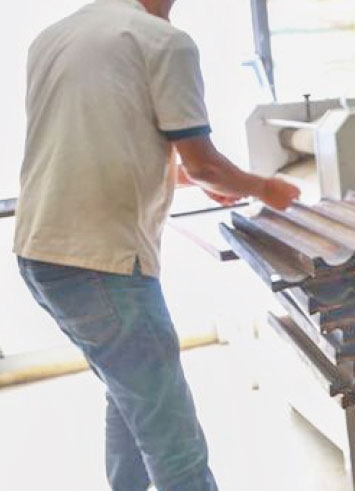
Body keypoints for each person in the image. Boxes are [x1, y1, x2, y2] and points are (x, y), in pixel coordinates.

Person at [14, 0, 300, 490]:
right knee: (175, 440)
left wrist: (192, 176)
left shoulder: (57, 35)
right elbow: (205, 160)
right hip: (100, 263)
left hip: (40, 251)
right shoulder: (162, 41)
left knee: (130, 394)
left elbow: (105, 136)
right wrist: (264, 188)